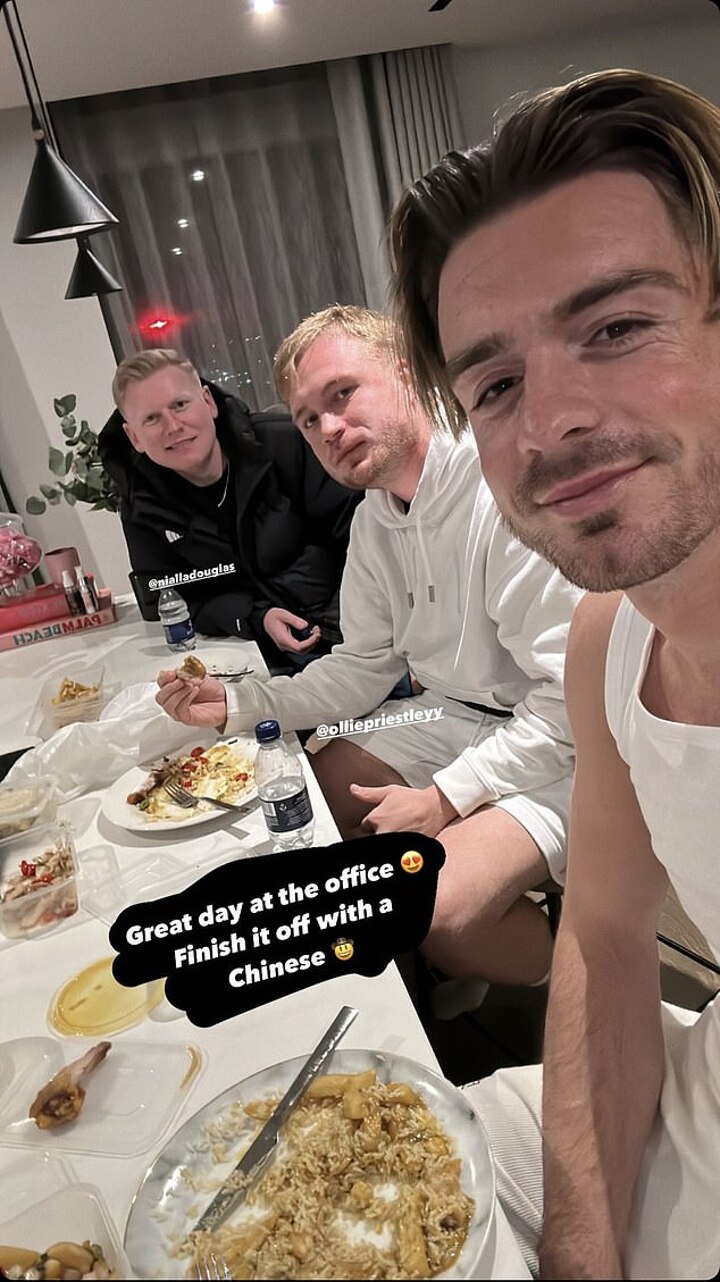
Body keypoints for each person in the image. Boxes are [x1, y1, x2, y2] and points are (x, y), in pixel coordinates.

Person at [389, 68, 720, 1280]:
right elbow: (608, 937)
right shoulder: (608, 643)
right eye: (495, 384)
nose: (548, 425)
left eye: (617, 328)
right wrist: (588, 1249)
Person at [156, 305, 581, 987]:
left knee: (432, 908)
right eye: (307, 419)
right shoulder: (376, 521)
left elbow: (570, 706)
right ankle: (450, 964)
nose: (328, 428)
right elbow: (360, 669)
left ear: (408, 375)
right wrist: (236, 702)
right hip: (451, 714)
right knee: (311, 791)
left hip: (567, 744)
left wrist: (446, 798)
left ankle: (596, 987)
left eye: (342, 394)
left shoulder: (501, 488)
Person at [99, 349, 361, 672]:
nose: (173, 426)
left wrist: (347, 630)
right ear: (134, 437)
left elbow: (362, 541)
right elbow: (164, 597)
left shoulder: (286, 443)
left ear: (208, 402)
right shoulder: (142, 505)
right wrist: (256, 617)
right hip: (253, 654)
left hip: (357, 632)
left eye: (180, 405)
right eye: (151, 418)